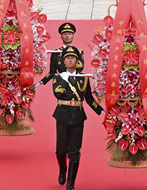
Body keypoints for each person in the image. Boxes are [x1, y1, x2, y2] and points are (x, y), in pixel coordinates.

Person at [52, 45, 102, 190]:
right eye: (67, 58)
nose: (70, 60)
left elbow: (89, 98)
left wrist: (101, 111)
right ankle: (62, 169)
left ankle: (70, 183)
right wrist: (64, 79)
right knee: (61, 150)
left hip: (78, 116)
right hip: (62, 115)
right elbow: (58, 94)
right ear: (64, 61)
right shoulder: (58, 77)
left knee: (75, 151)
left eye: (73, 58)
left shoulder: (83, 78)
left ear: (77, 60)